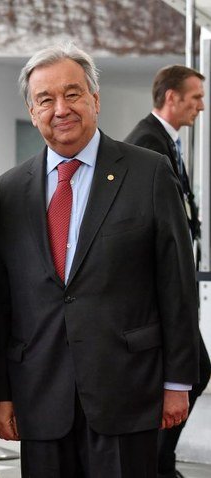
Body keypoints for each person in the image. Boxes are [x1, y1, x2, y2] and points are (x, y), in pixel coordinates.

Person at [0, 43, 201, 477]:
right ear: (32, 112)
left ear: (95, 100)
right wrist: (1, 393)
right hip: (40, 395)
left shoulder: (149, 172)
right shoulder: (8, 190)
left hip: (127, 390)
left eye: (73, 94)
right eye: (45, 99)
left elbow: (177, 283)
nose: (61, 108)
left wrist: (178, 382)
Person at [124, 65, 211, 478]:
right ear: (171, 98)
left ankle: (161, 462)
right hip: (154, 289)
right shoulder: (147, 142)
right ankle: (156, 463)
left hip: (172, 283)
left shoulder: (166, 143)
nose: (201, 106)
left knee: (193, 369)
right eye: (195, 97)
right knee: (191, 370)